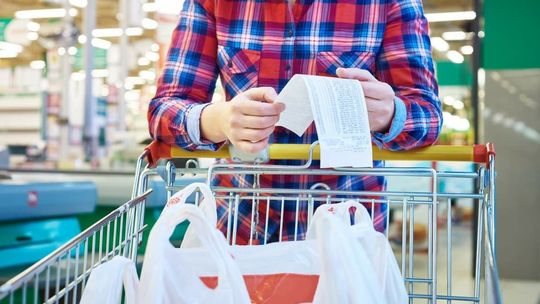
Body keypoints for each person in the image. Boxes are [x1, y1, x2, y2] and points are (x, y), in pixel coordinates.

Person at [148, 0, 442, 243]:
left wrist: (390, 114)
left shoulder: (388, 4)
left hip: (344, 231)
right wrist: (218, 120)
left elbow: (427, 114)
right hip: (240, 225)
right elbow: (164, 110)